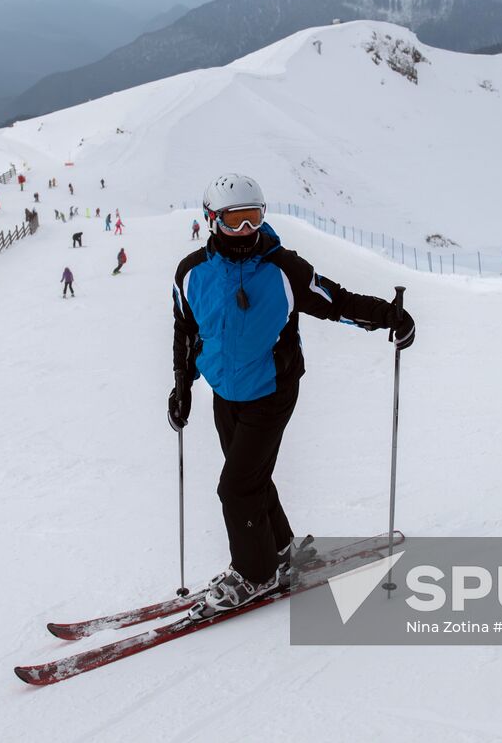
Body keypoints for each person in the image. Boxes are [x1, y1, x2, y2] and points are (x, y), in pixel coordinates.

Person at [169, 173, 415, 617]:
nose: (246, 231)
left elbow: (335, 302)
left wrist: (389, 316)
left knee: (235, 487)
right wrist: (182, 386)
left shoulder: (283, 269)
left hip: (271, 390)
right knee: (251, 476)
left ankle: (254, 572)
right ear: (211, 221)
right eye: (234, 220)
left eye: (254, 219)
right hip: (226, 393)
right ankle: (279, 550)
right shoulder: (192, 273)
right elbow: (186, 331)